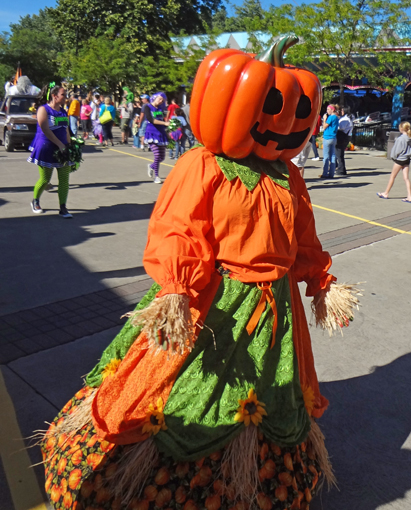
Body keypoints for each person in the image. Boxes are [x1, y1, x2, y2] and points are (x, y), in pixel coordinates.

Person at [39, 35, 359, 510]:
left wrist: (319, 281)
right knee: (181, 395)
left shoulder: (287, 174)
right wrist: (175, 289)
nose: (285, 123)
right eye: (272, 105)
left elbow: (301, 237)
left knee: (266, 398)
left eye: (298, 110)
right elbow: (177, 229)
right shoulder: (203, 164)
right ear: (232, 100)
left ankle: (254, 486)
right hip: (211, 301)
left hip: (275, 310)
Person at [27, 83, 73, 218]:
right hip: (46, 148)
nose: (66, 97)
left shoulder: (63, 111)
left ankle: (63, 208)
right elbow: (45, 129)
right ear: (54, 96)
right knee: (45, 179)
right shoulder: (43, 110)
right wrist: (59, 144)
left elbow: (66, 130)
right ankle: (35, 201)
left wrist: (69, 146)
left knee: (64, 179)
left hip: (62, 148)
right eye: (63, 95)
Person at [377, 121, 411, 202]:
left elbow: (397, 150)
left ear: (401, 129)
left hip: (399, 159)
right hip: (407, 159)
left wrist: (393, 156)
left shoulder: (400, 139)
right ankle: (409, 196)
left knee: (392, 176)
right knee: (406, 178)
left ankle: (386, 193)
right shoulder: (410, 139)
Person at [143, 92, 169, 183]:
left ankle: (151, 166)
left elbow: (163, 120)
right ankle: (157, 176)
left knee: (162, 157)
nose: (161, 101)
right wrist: (164, 123)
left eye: (162, 100)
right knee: (157, 155)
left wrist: (169, 126)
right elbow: (151, 120)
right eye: (159, 99)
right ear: (154, 98)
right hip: (151, 133)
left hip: (161, 133)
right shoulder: (147, 107)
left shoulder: (161, 109)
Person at [320, 104, 339, 179]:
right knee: (333, 156)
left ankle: (325, 173)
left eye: (328, 109)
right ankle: (331, 173)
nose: (327, 111)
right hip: (333, 137)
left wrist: (324, 119)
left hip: (327, 137)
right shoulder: (336, 117)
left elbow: (324, 126)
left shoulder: (331, 117)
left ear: (332, 110)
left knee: (326, 156)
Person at [335, 108, 353, 176]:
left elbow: (341, 128)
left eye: (342, 110)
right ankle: (339, 168)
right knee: (338, 154)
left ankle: (341, 170)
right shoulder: (344, 118)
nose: (340, 111)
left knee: (339, 154)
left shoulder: (345, 119)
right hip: (343, 137)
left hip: (342, 137)